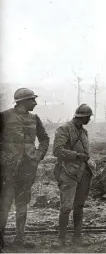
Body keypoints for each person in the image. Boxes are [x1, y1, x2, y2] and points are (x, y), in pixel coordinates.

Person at [0, 88, 50, 250]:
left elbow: (44, 139)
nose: (35, 103)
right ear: (22, 102)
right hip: (7, 169)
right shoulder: (4, 116)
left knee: (22, 203)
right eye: (32, 100)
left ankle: (19, 239)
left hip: (28, 168)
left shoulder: (35, 118)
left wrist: (38, 156)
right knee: (4, 204)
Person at [52, 104, 96, 248]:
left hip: (83, 172)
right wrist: (77, 155)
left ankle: (77, 237)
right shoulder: (64, 129)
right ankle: (61, 239)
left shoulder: (84, 132)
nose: (89, 119)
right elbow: (57, 150)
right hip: (68, 172)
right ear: (82, 117)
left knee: (79, 206)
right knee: (66, 207)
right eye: (88, 117)